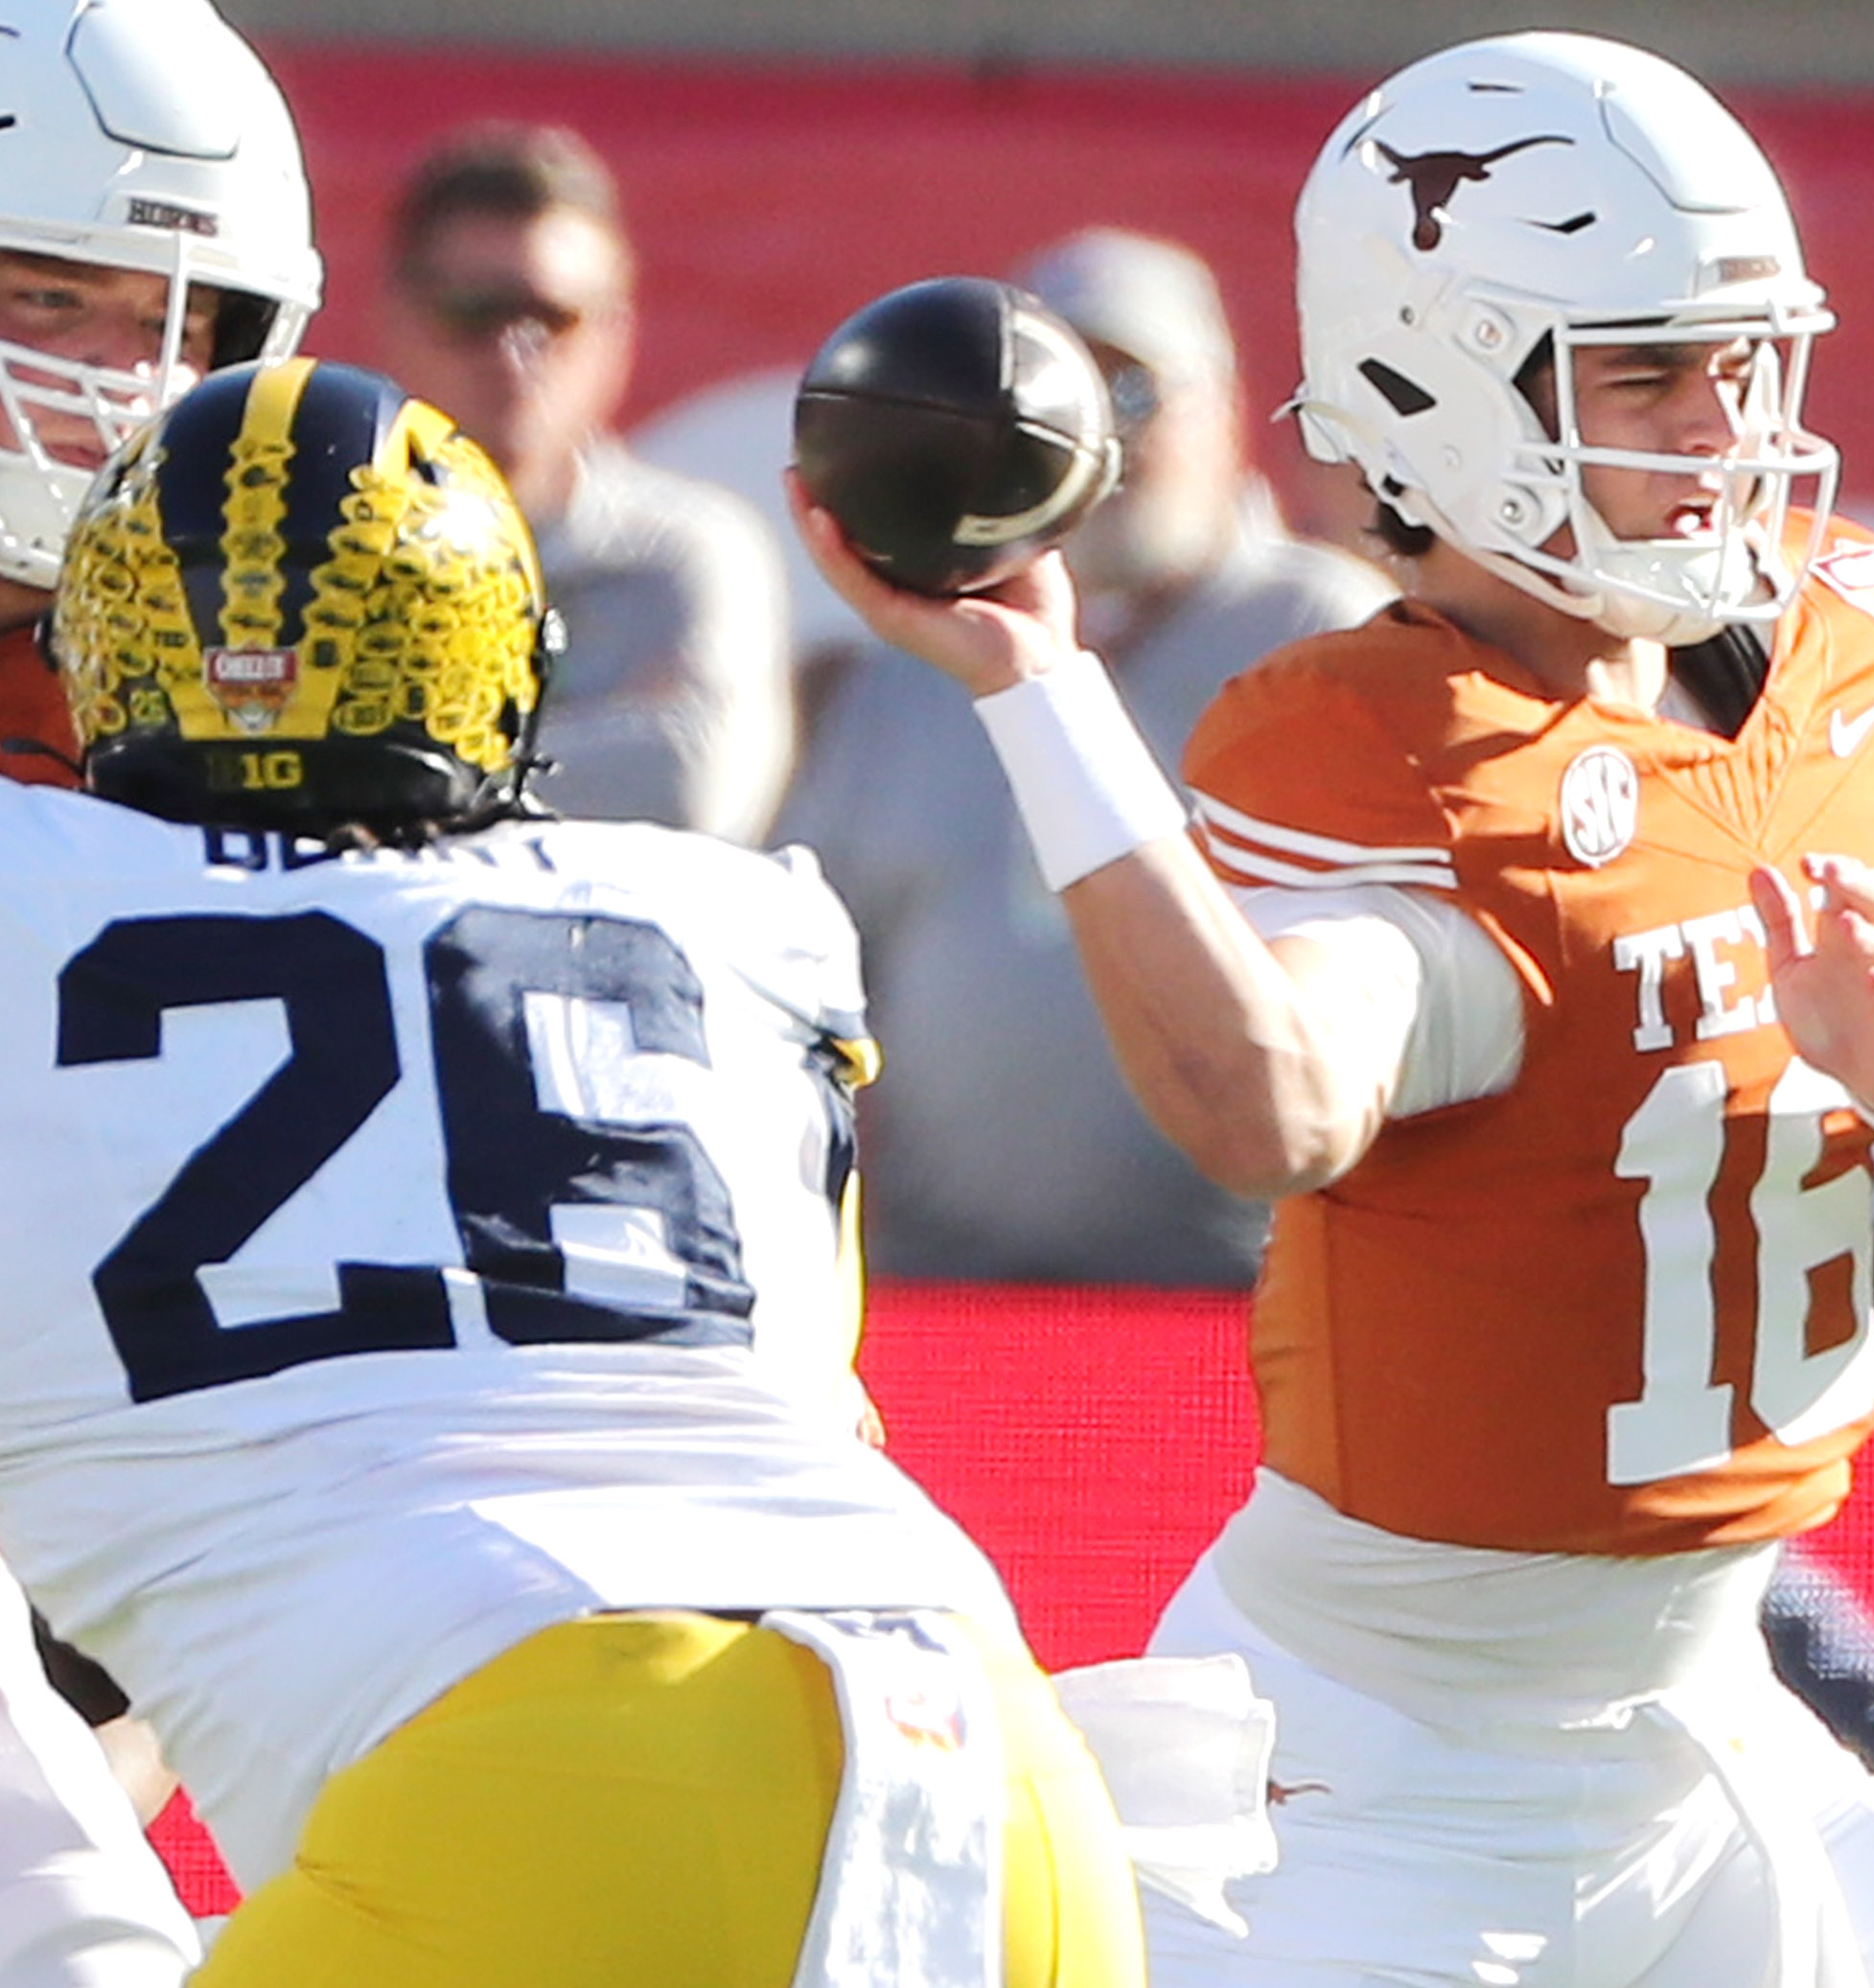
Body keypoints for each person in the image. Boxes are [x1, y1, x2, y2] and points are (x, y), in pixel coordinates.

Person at [796, 30, 1874, 1986]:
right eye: (1650, 366)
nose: (1724, 424)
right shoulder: (1384, 744)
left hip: (1714, 1724)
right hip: (1375, 1768)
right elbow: (1267, 1097)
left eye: (1743, 357)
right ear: (1436, 389)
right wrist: (1037, 690)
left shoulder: (1832, 658)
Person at [6, 354, 1152, 1986]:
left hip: (535, 1789)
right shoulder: (731, 917)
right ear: (500, 659)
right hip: (999, 1771)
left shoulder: (31, 891)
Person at [774, 228, 1393, 1288]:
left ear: (1232, 407)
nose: (1104, 442)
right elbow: (806, 980)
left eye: (1138, 392)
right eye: (1066, 403)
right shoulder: (911, 665)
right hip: (936, 1304)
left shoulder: (1328, 638)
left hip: (1237, 1312)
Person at [0, 3, 321, 1978]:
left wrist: (82, 1767)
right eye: (54, 298)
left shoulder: (270, 692)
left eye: (177, 323)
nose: (121, 385)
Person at [381, 120, 797, 844]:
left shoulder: (684, 553)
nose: (516, 350)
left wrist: (381, 776)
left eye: (553, 315)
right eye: (474, 313)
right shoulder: (323, 547)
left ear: (616, 333)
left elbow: (690, 788)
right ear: (400, 319)